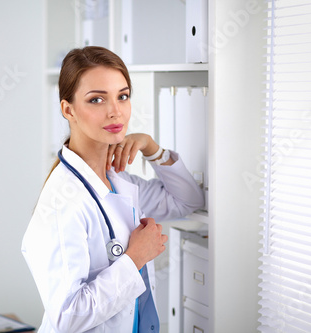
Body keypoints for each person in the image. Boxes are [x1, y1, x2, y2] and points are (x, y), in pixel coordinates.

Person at [22, 46, 204, 332]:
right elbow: (67, 317)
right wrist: (136, 258)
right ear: (68, 110)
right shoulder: (63, 201)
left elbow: (187, 200)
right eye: (97, 99)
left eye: (123, 96)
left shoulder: (118, 181)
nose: (115, 111)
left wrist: (152, 149)